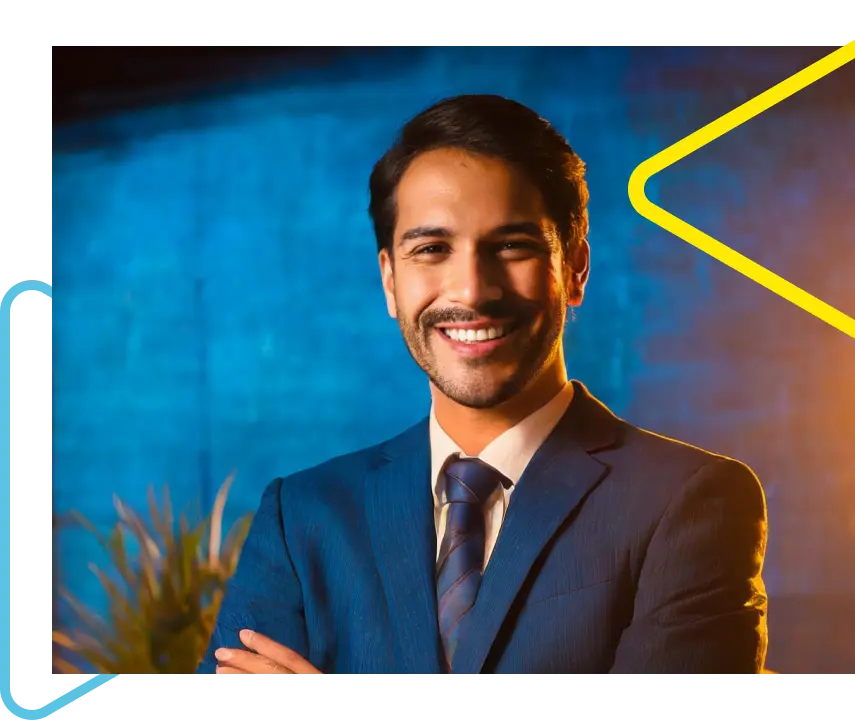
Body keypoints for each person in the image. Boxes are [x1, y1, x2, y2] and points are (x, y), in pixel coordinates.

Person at [197, 94, 768, 679]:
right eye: (431, 249)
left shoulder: (688, 504)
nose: (470, 291)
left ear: (574, 269)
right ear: (390, 281)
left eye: (512, 246)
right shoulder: (303, 518)